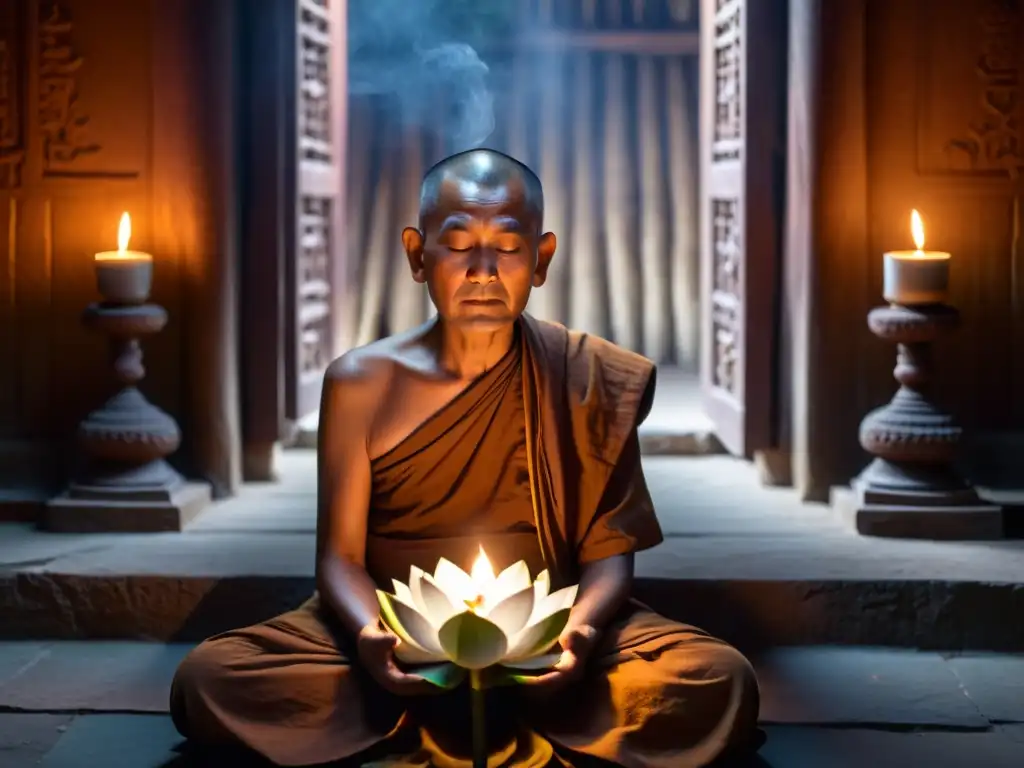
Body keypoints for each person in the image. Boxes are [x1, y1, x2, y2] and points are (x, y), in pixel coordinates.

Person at [170, 148, 761, 767]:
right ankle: (509, 731)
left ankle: (433, 730)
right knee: (212, 677)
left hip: (549, 630)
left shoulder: (585, 377)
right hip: (398, 633)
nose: (483, 270)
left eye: (507, 246)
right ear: (416, 255)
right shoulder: (360, 382)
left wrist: (581, 637)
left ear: (542, 259)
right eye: (457, 244)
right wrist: (374, 638)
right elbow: (340, 560)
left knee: (718, 679)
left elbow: (609, 561)